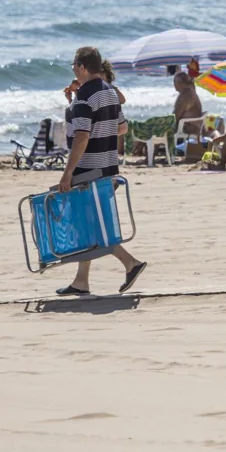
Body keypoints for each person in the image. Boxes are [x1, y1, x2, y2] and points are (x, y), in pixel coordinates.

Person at [54, 46, 147, 296]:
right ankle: (81, 281)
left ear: (83, 67)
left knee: (88, 225)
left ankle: (130, 263)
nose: (73, 69)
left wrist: (67, 172)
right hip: (108, 166)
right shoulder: (109, 93)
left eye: (74, 65)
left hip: (88, 168)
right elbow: (121, 128)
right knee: (92, 221)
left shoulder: (86, 96)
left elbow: (82, 137)